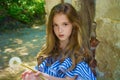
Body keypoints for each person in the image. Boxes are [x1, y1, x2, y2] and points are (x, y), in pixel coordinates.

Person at [21, 3, 96, 80]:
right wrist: (32, 75)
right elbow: (40, 72)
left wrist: (43, 76)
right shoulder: (49, 49)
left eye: (65, 24)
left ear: (73, 25)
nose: (60, 30)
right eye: (56, 25)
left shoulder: (78, 52)